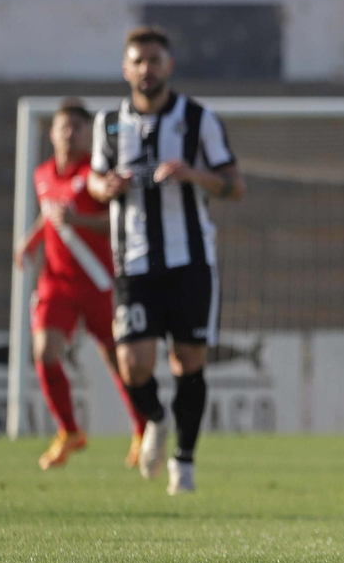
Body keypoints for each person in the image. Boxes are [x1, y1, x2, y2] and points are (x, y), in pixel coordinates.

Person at [88, 26, 245, 495]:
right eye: (138, 61)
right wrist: (106, 187)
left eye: (154, 60)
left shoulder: (197, 118)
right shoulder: (109, 124)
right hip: (133, 262)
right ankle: (155, 419)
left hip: (190, 261)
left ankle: (186, 463)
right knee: (133, 364)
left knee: (189, 360)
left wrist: (193, 173)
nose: (146, 69)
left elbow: (235, 186)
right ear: (125, 68)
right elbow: (94, 183)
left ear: (168, 66)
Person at [16, 98, 147, 470]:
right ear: (52, 132)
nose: (71, 133)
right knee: (44, 352)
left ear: (90, 134)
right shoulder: (42, 174)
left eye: (79, 127)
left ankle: (141, 429)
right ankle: (70, 431)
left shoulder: (95, 174)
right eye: (65, 127)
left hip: (98, 281)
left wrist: (78, 222)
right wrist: (30, 240)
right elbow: (50, 214)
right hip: (57, 282)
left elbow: (114, 223)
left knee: (117, 360)